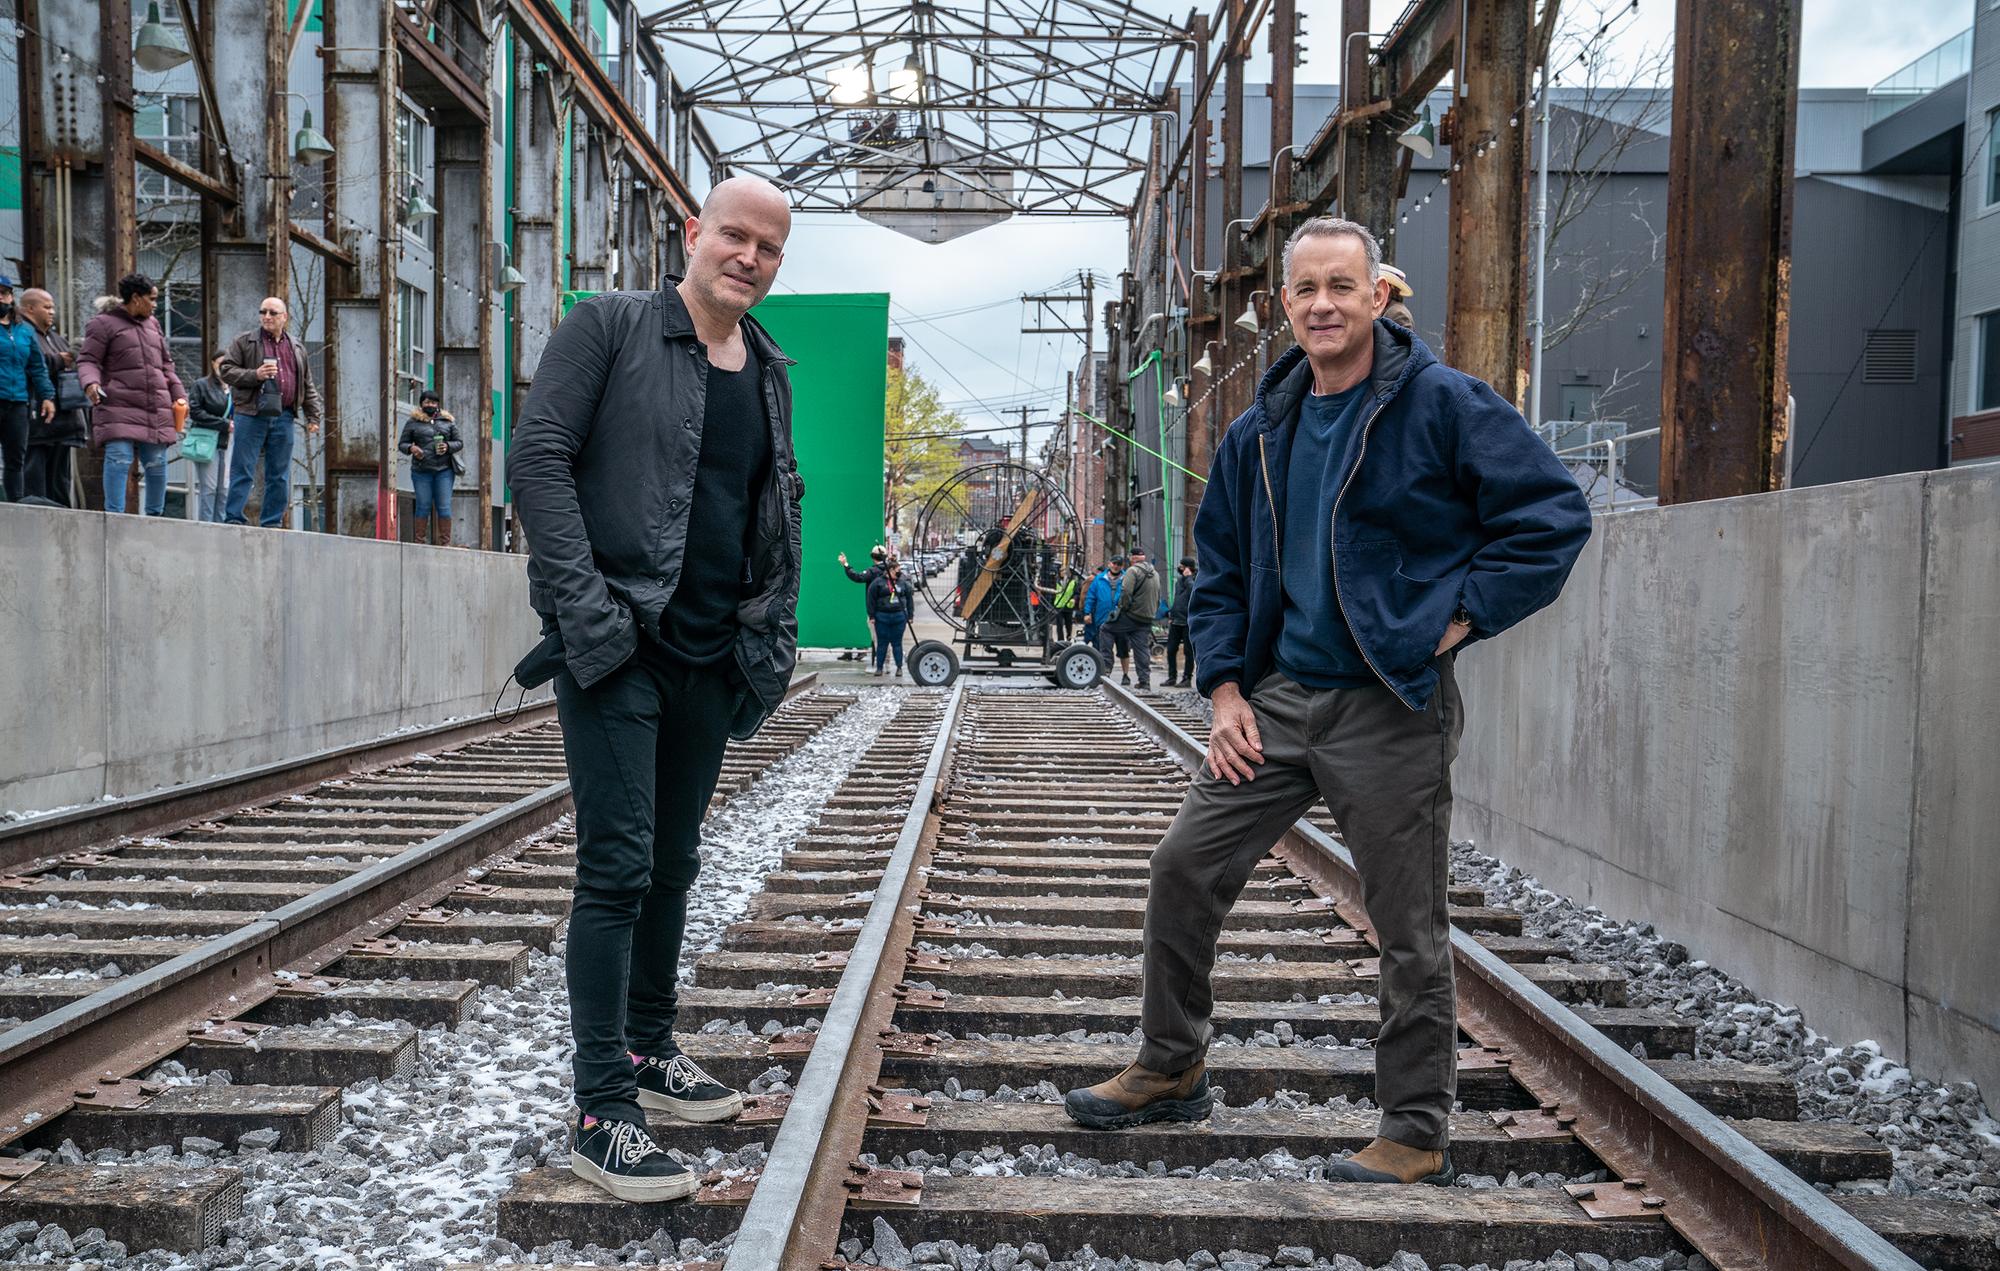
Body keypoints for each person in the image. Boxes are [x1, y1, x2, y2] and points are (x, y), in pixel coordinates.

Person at [1063, 216, 1592, 1188]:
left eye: (1340, 286)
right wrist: (1222, 687)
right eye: (1304, 289)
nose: (1320, 304)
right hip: (1277, 702)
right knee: (1184, 864)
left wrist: (1458, 616)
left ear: (1377, 295)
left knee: (1405, 920)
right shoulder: (1260, 430)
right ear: (1284, 304)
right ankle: (1171, 1062)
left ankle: (1414, 1128)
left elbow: (1551, 515)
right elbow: (1216, 572)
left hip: (1388, 706)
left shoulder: (1440, 406)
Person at [509, 175, 803, 1205]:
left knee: (674, 861)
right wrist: (586, 616)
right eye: (734, 235)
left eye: (768, 247)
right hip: (619, 645)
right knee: (619, 866)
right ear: (693, 232)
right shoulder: (609, 327)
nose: (749, 257)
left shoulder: (767, 367)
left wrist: (763, 640)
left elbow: (763, 511)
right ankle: (601, 1109)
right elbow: (538, 461)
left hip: (712, 656)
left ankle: (647, 1048)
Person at [78, 274, 185, 516]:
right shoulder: (102, 324)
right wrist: (91, 384)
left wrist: (178, 394)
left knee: (157, 464)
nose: (156, 304)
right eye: (152, 299)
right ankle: (114, 517)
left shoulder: (153, 325)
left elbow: (167, 364)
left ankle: (155, 519)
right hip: (117, 404)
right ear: (136, 298)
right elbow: (87, 360)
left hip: (154, 405)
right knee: (119, 458)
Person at [219, 296, 323, 528]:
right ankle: (234, 518)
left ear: (284, 317)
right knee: (242, 468)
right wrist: (255, 375)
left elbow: (306, 384)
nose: (266, 317)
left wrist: (314, 416)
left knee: (279, 473)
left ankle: (272, 522)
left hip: (283, 416)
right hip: (250, 414)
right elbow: (226, 370)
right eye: (263, 312)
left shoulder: (296, 347)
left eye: (272, 313)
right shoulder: (245, 341)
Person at [19, 287, 85, 506]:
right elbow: (25, 364)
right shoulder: (20, 334)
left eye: (53, 307)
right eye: (46, 307)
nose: (51, 311)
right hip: (35, 421)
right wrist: (59, 360)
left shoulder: (55, 337)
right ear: (29, 308)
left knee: (59, 483)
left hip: (62, 422)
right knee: (35, 483)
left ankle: (63, 527)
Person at [0, 275, 54, 501]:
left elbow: (37, 366)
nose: (1, 297)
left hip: (18, 402)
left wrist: (47, 396)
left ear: (11, 297)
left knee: (16, 458)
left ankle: (15, 506)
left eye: (4, 293)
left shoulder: (23, 331)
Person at [399, 388, 463, 545]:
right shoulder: (412, 422)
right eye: (427, 402)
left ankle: (445, 543)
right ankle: (419, 541)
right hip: (421, 471)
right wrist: (411, 449)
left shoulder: (448, 422)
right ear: (421, 404)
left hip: (444, 470)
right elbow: (402, 444)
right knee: (423, 505)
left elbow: (459, 442)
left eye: (433, 402)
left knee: (444, 506)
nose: (430, 405)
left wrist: (447, 446)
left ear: (438, 405)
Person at [186, 354, 235, 522]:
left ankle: (221, 526)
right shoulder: (202, 385)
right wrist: (224, 424)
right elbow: (195, 412)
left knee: (224, 489)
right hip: (207, 440)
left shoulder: (235, 387)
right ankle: (206, 526)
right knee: (209, 487)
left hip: (228, 441)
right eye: (221, 363)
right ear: (213, 363)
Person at [1105, 546, 1160, 689]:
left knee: (1106, 629)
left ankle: (1105, 669)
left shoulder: (1132, 571)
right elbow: (1158, 596)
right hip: (1147, 617)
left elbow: (1126, 592)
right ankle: (1144, 681)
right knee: (1141, 649)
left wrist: (1124, 608)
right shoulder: (1154, 573)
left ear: (1133, 558)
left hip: (1132, 615)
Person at [866, 558, 914, 676]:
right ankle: (879, 668)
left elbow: (909, 599)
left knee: (897, 643)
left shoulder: (903, 583)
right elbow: (870, 599)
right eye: (898, 570)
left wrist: (910, 615)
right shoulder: (878, 583)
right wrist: (872, 615)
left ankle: (899, 668)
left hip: (899, 617)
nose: (900, 572)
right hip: (882, 617)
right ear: (891, 570)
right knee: (882, 644)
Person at [840, 545, 889, 648]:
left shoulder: (872, 571)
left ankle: (881, 661)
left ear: (873, 557)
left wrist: (846, 564)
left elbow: (857, 577)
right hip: (891, 610)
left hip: (876, 611)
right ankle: (888, 659)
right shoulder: (891, 571)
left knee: (877, 638)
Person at [1165, 557, 1198, 687]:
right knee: (1171, 650)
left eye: (1182, 566)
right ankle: (1171, 677)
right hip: (1176, 620)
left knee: (1188, 652)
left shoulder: (1195, 579)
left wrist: (1189, 578)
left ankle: (1187, 678)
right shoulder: (1179, 580)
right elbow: (1178, 599)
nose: (1180, 568)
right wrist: (1172, 614)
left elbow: (1193, 593)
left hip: (1188, 622)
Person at [1081, 562, 1113, 649]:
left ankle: (1088, 648)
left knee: (1093, 633)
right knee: (1092, 633)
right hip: (1092, 610)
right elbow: (1087, 596)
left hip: (1093, 609)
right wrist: (1088, 612)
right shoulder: (1094, 580)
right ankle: (1084, 649)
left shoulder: (1094, 579)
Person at [1048, 563, 1081, 643]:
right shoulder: (1056, 581)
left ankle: (1069, 638)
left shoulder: (1073, 582)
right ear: (1060, 573)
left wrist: (1074, 599)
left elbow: (1076, 593)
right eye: (1062, 571)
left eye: (1065, 572)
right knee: (1059, 625)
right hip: (1059, 606)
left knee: (1068, 624)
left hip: (1068, 606)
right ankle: (1061, 641)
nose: (1064, 573)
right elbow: (1052, 593)